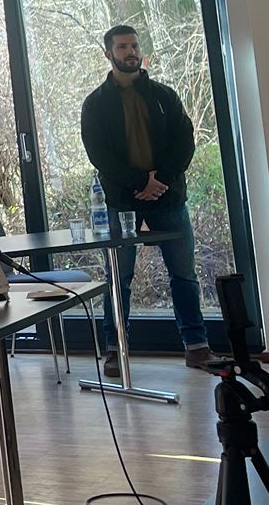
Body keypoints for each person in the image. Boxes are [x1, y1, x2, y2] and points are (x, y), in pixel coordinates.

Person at [80, 24, 211, 373]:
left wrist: (161, 180)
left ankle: (197, 346)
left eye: (134, 46)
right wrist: (140, 182)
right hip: (121, 201)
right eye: (123, 46)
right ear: (108, 54)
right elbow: (99, 154)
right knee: (118, 277)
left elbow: (185, 141)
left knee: (183, 274)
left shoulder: (165, 96)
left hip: (168, 197)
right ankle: (115, 349)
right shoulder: (95, 104)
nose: (131, 52)